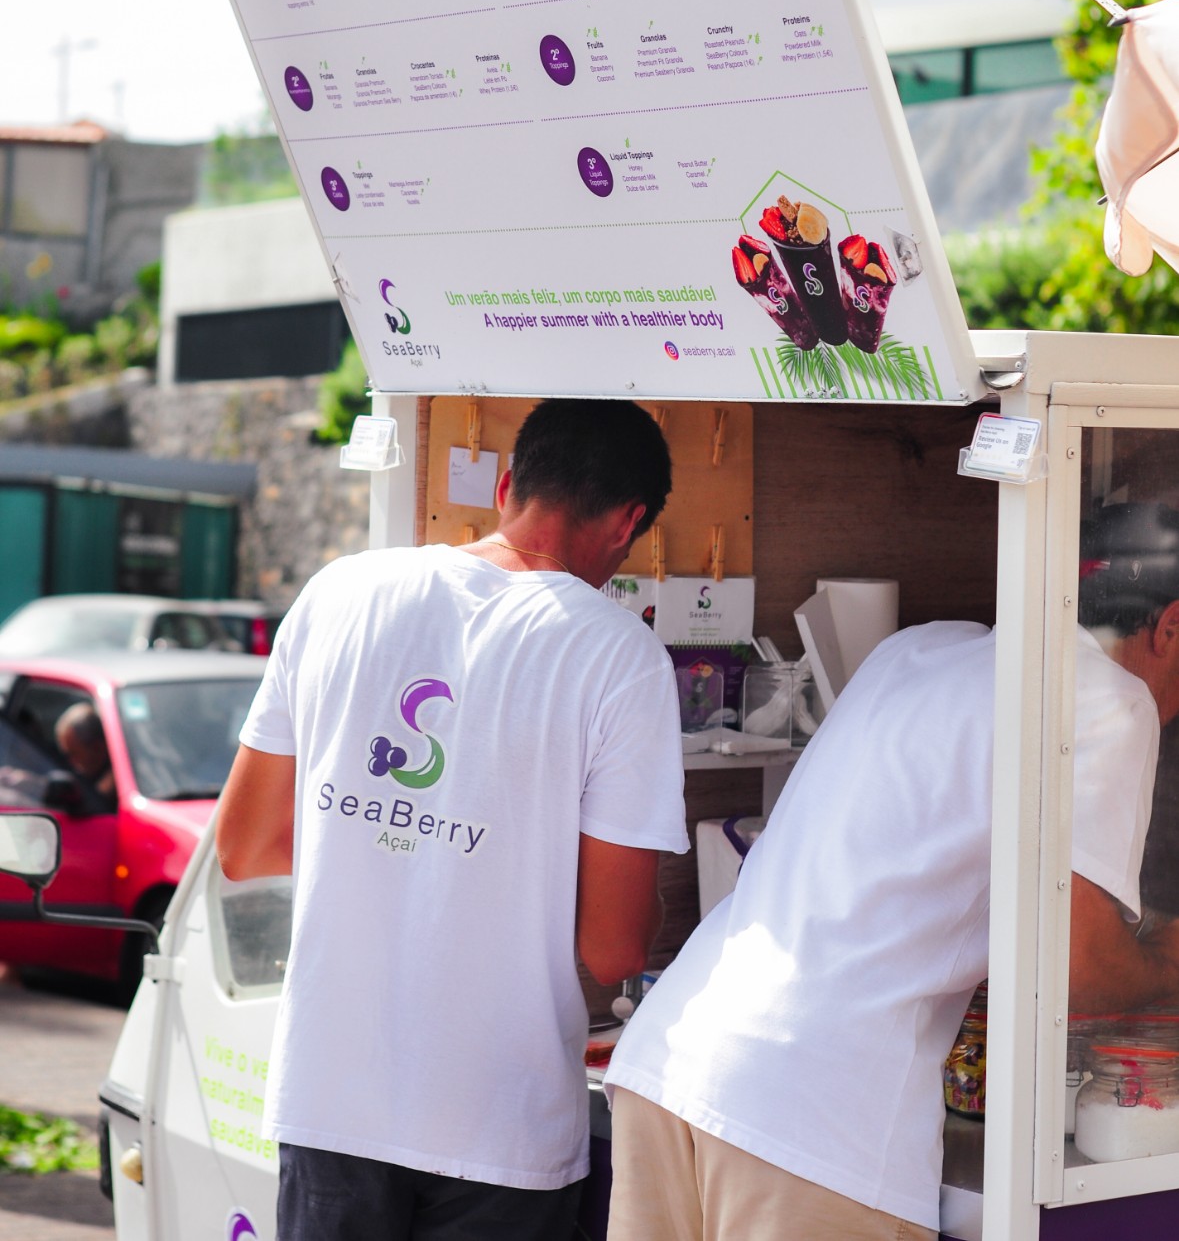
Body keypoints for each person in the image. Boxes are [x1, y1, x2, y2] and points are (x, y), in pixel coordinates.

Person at [605, 501, 1179, 1241]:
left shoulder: (918, 649)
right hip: (811, 1116)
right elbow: (1077, 968)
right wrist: (1165, 962)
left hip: (674, 1060)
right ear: (1170, 626)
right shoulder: (1105, 697)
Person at [216, 398, 688, 1241]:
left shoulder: (340, 591)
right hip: (498, 1129)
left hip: (331, 1103)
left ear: (507, 485)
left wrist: (381, 852)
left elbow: (246, 848)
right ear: (629, 522)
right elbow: (613, 948)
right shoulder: (618, 655)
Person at [54, 703, 116, 803]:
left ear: (97, 748)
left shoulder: (123, 779)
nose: (70, 762)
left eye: (73, 754)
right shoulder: (82, 778)